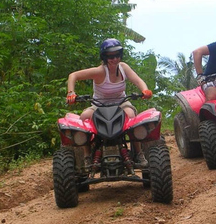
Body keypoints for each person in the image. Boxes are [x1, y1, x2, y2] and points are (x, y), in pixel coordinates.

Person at [66, 38, 153, 171]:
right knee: (83, 118)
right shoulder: (99, 71)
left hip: (121, 103)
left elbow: (138, 80)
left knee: (131, 117)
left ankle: (139, 154)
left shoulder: (124, 68)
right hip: (99, 105)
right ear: (104, 57)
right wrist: (71, 93)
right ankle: (87, 156)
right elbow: (73, 75)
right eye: (111, 56)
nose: (115, 59)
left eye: (117, 55)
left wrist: (145, 90)